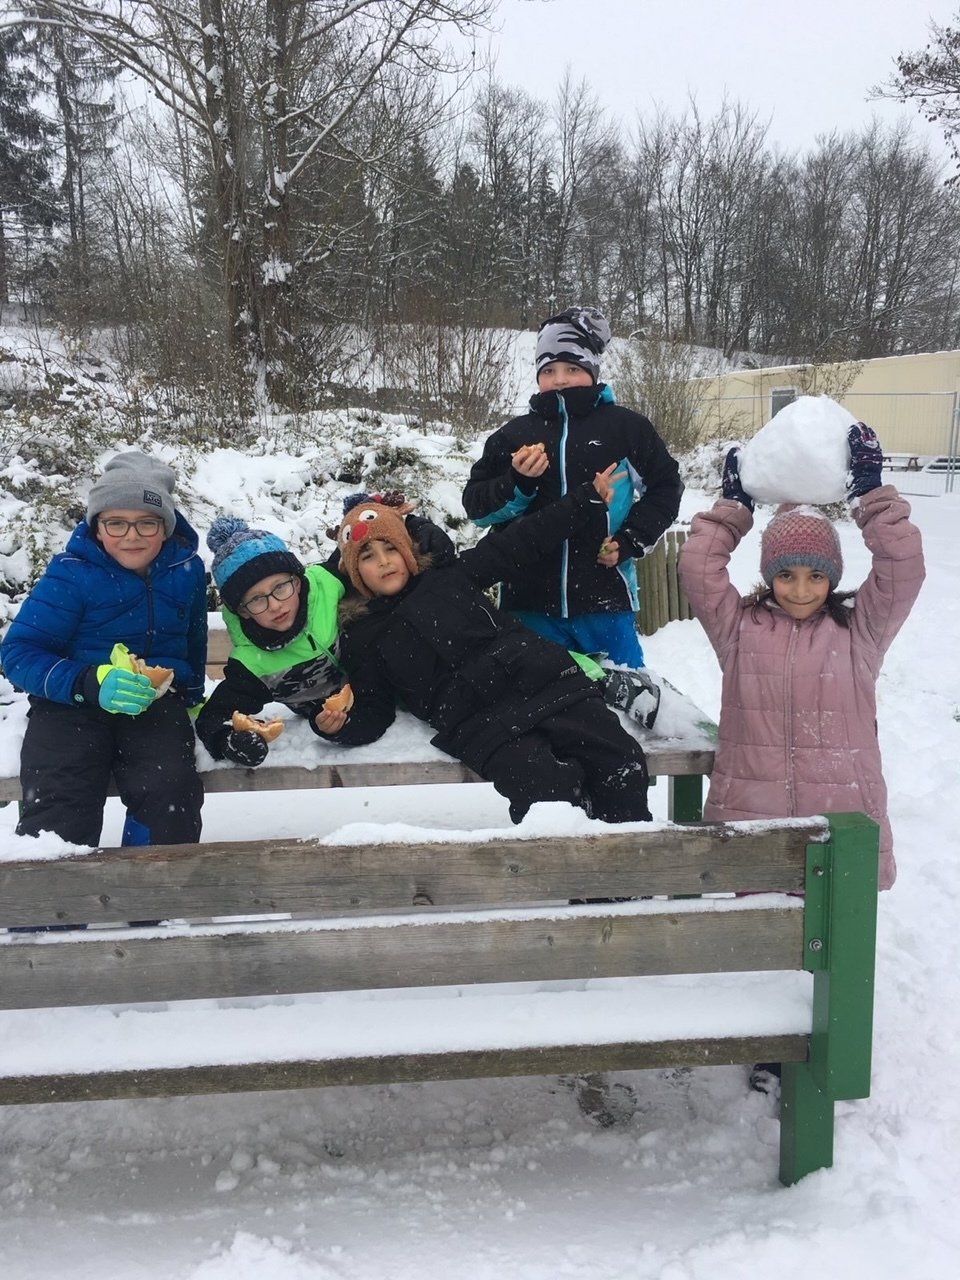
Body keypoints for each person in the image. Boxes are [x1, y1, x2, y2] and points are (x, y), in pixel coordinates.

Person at [319, 469, 652, 825]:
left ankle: (630, 852)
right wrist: (339, 727)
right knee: (547, 793)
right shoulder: (362, 636)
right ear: (354, 572)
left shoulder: (450, 576)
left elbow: (523, 540)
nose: (384, 561)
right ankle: (570, 852)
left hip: (545, 683)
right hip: (481, 727)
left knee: (620, 762)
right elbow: (374, 706)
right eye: (367, 556)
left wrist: (582, 500)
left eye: (390, 549)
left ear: (407, 550)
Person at [678, 423, 925, 893]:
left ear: (833, 577)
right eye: (786, 575)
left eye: (816, 575)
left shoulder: (859, 631)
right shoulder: (739, 628)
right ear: (769, 574)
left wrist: (870, 497)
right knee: (755, 929)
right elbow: (698, 567)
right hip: (752, 818)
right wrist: (733, 510)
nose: (801, 590)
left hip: (839, 821)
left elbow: (903, 567)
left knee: (837, 924)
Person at [1, 451, 206, 849]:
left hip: (151, 704)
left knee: (171, 794)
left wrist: (191, 692)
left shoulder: (186, 571)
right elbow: (20, 652)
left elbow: (193, 638)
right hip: (69, 705)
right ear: (97, 527)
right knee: (61, 803)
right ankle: (59, 888)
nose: (132, 535)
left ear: (165, 528)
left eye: (147, 522)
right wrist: (88, 682)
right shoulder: (71, 573)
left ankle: (154, 885)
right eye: (116, 522)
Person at [462, 305, 683, 673]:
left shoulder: (626, 428)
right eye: (549, 370)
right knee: (537, 697)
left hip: (605, 601)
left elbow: (666, 487)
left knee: (626, 695)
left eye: (572, 368)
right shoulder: (513, 436)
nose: (560, 379)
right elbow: (477, 508)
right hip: (528, 603)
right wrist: (517, 483)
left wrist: (630, 540)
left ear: (592, 370)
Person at [196, 503, 455, 766]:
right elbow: (212, 718)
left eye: (281, 587)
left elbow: (363, 542)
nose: (275, 605)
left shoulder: (327, 583)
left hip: (408, 678)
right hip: (359, 713)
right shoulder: (253, 665)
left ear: (297, 581)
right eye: (256, 599)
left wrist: (418, 529)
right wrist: (229, 741)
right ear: (242, 611)